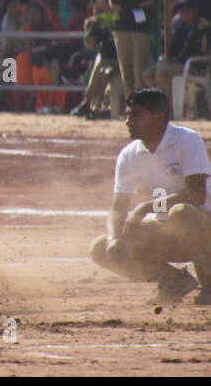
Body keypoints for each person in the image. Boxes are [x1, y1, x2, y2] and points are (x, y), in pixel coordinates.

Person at [89, 89, 211, 305]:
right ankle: (174, 280)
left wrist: (145, 208)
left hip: (203, 228)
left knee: (181, 213)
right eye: (127, 115)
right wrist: (114, 238)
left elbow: (197, 194)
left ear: (158, 118)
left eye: (136, 115)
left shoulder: (187, 140)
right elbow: (118, 208)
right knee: (100, 248)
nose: (128, 121)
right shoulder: (129, 154)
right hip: (171, 233)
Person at [142, 0, 211, 104]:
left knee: (162, 72)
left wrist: (177, 59)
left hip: (194, 66)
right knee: (147, 74)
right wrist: (169, 58)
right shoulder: (180, 27)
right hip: (178, 64)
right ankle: (162, 102)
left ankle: (167, 107)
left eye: (188, 10)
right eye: (181, 11)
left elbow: (200, 52)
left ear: (195, 11)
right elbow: (172, 50)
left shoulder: (202, 27)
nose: (184, 14)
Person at [109, 0, 157, 97]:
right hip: (122, 27)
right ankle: (130, 99)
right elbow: (114, 4)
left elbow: (150, 1)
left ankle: (140, 100)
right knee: (125, 67)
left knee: (139, 68)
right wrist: (137, 2)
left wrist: (127, 3)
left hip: (140, 28)